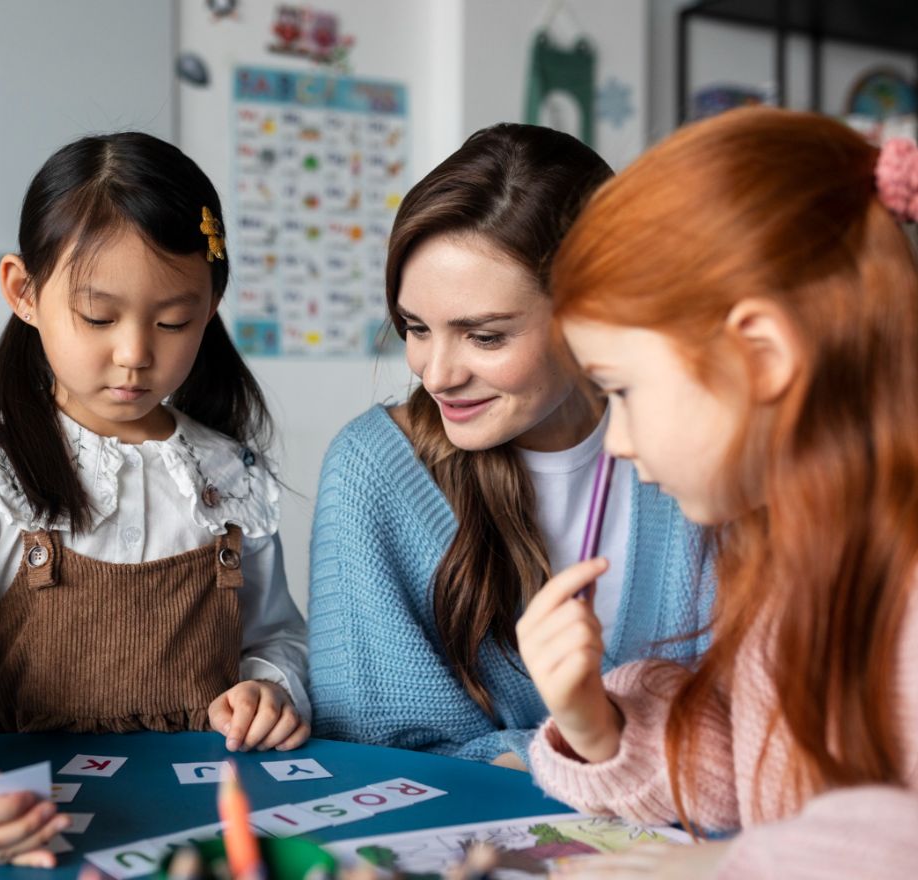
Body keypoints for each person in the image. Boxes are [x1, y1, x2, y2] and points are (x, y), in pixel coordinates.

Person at [0, 132, 309, 867]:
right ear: (24, 293)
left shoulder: (228, 474)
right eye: (98, 317)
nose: (134, 353)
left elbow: (276, 637)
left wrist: (270, 689)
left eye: (174, 321)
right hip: (30, 819)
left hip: (203, 816)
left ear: (211, 306)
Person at [520, 107, 918, 878]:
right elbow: (753, 771)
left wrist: (730, 868)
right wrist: (594, 723)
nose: (621, 440)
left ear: (762, 355)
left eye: (624, 391)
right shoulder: (788, 546)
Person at [308, 123, 714, 769]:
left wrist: (563, 750)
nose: (435, 373)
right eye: (415, 327)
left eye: (485, 337)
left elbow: (743, 729)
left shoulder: (700, 461)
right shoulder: (373, 470)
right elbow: (377, 756)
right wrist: (589, 747)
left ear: (590, 310)